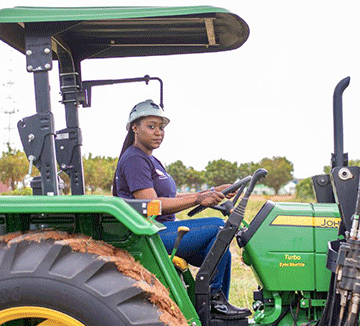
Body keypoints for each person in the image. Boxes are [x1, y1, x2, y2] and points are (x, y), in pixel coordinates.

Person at [113, 99, 250, 318]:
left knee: (219, 248)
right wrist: (198, 198)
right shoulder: (134, 159)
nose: (158, 132)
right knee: (218, 227)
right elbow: (152, 205)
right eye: (152, 126)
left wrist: (214, 191)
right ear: (134, 128)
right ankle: (213, 301)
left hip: (163, 230)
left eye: (161, 127)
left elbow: (170, 197)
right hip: (150, 234)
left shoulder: (152, 160)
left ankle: (212, 307)